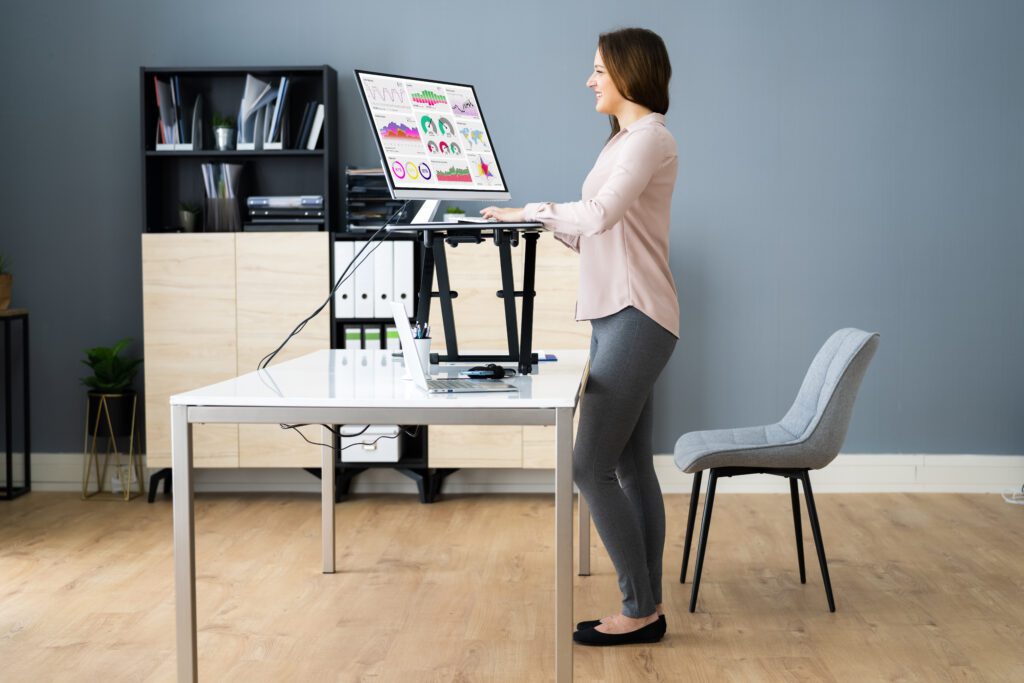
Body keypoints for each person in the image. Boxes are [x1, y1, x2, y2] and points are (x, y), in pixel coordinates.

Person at [482, 27, 679, 647]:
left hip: (637, 315)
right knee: (628, 465)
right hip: (620, 315)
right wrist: (528, 222)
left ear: (628, 71)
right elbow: (594, 232)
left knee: (588, 466)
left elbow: (598, 216)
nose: (590, 80)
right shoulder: (622, 143)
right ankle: (648, 604)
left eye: (599, 69)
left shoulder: (649, 139)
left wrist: (533, 209)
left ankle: (637, 609)